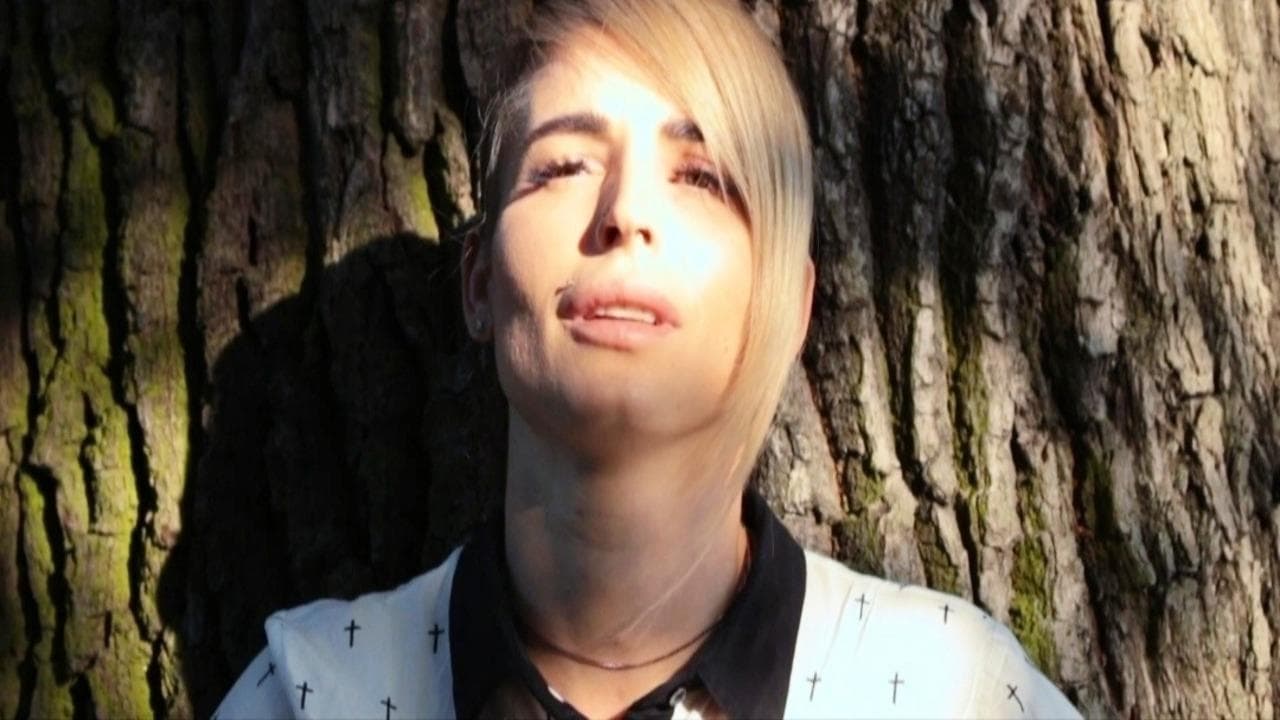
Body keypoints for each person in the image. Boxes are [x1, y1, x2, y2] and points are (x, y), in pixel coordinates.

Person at [213, 0, 1082, 718]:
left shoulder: (952, 694)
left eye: (700, 175)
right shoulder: (310, 694)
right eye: (561, 167)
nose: (625, 210)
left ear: (789, 303)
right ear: (477, 283)